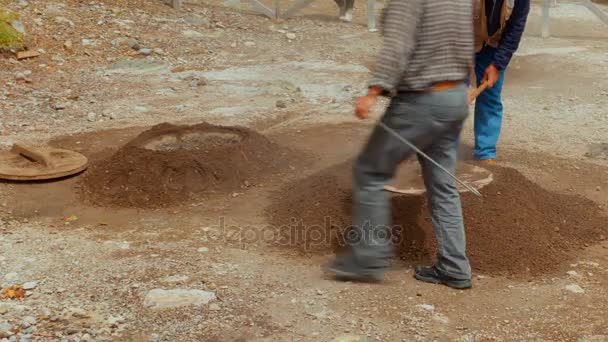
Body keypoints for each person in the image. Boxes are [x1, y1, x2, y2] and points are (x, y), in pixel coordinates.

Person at [323, 0, 474, 289]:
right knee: (443, 186)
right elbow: (466, 45)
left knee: (369, 172)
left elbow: (398, 46)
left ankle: (366, 259)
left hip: (421, 99)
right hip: (454, 95)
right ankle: (455, 267)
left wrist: (373, 91)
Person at [472, 0, 530, 165]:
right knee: (451, 94)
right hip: (462, 41)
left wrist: (497, 64)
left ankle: (485, 152)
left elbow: (516, 27)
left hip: (493, 46)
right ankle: (444, 150)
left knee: (490, 97)